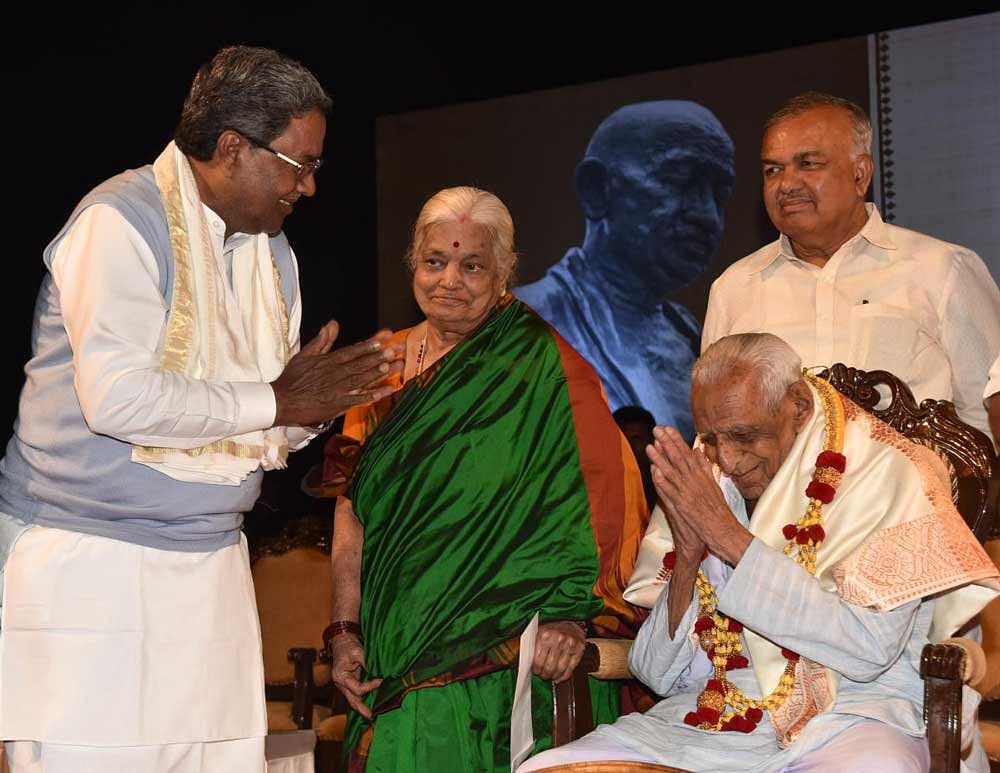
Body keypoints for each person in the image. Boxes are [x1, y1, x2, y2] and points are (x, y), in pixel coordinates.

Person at [0, 46, 403, 773]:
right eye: (299, 164)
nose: (309, 188)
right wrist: (280, 397)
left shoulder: (271, 257)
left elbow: (250, 423)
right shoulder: (117, 222)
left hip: (213, 566)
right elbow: (119, 398)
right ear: (230, 147)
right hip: (90, 567)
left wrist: (310, 411)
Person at [519, 332, 1000, 773]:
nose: (727, 459)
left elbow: (868, 652)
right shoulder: (704, 476)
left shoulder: (888, 476)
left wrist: (728, 538)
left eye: (745, 436)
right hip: (709, 722)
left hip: (852, 717)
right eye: (711, 437)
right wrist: (686, 562)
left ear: (798, 407)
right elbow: (656, 675)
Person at [313, 186, 649, 772]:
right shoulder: (380, 370)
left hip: (508, 649)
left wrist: (574, 615)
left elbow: (606, 500)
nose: (450, 281)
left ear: (505, 273)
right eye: (434, 262)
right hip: (397, 640)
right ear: (411, 265)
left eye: (473, 266)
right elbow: (352, 509)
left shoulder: (548, 366)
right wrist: (345, 628)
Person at [702, 91, 1000, 438]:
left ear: (860, 175)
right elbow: (713, 430)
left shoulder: (943, 270)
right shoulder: (734, 289)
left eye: (808, 164)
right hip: (776, 494)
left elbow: (987, 420)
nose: (786, 184)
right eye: (773, 170)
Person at [514, 100, 735, 440]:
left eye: (719, 194)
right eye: (679, 180)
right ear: (596, 189)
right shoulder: (523, 323)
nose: (707, 214)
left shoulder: (689, 333)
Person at [614, 405, 657, 512]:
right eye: (623, 439)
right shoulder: (601, 486)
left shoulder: (663, 485)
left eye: (636, 439)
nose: (629, 446)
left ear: (652, 441)